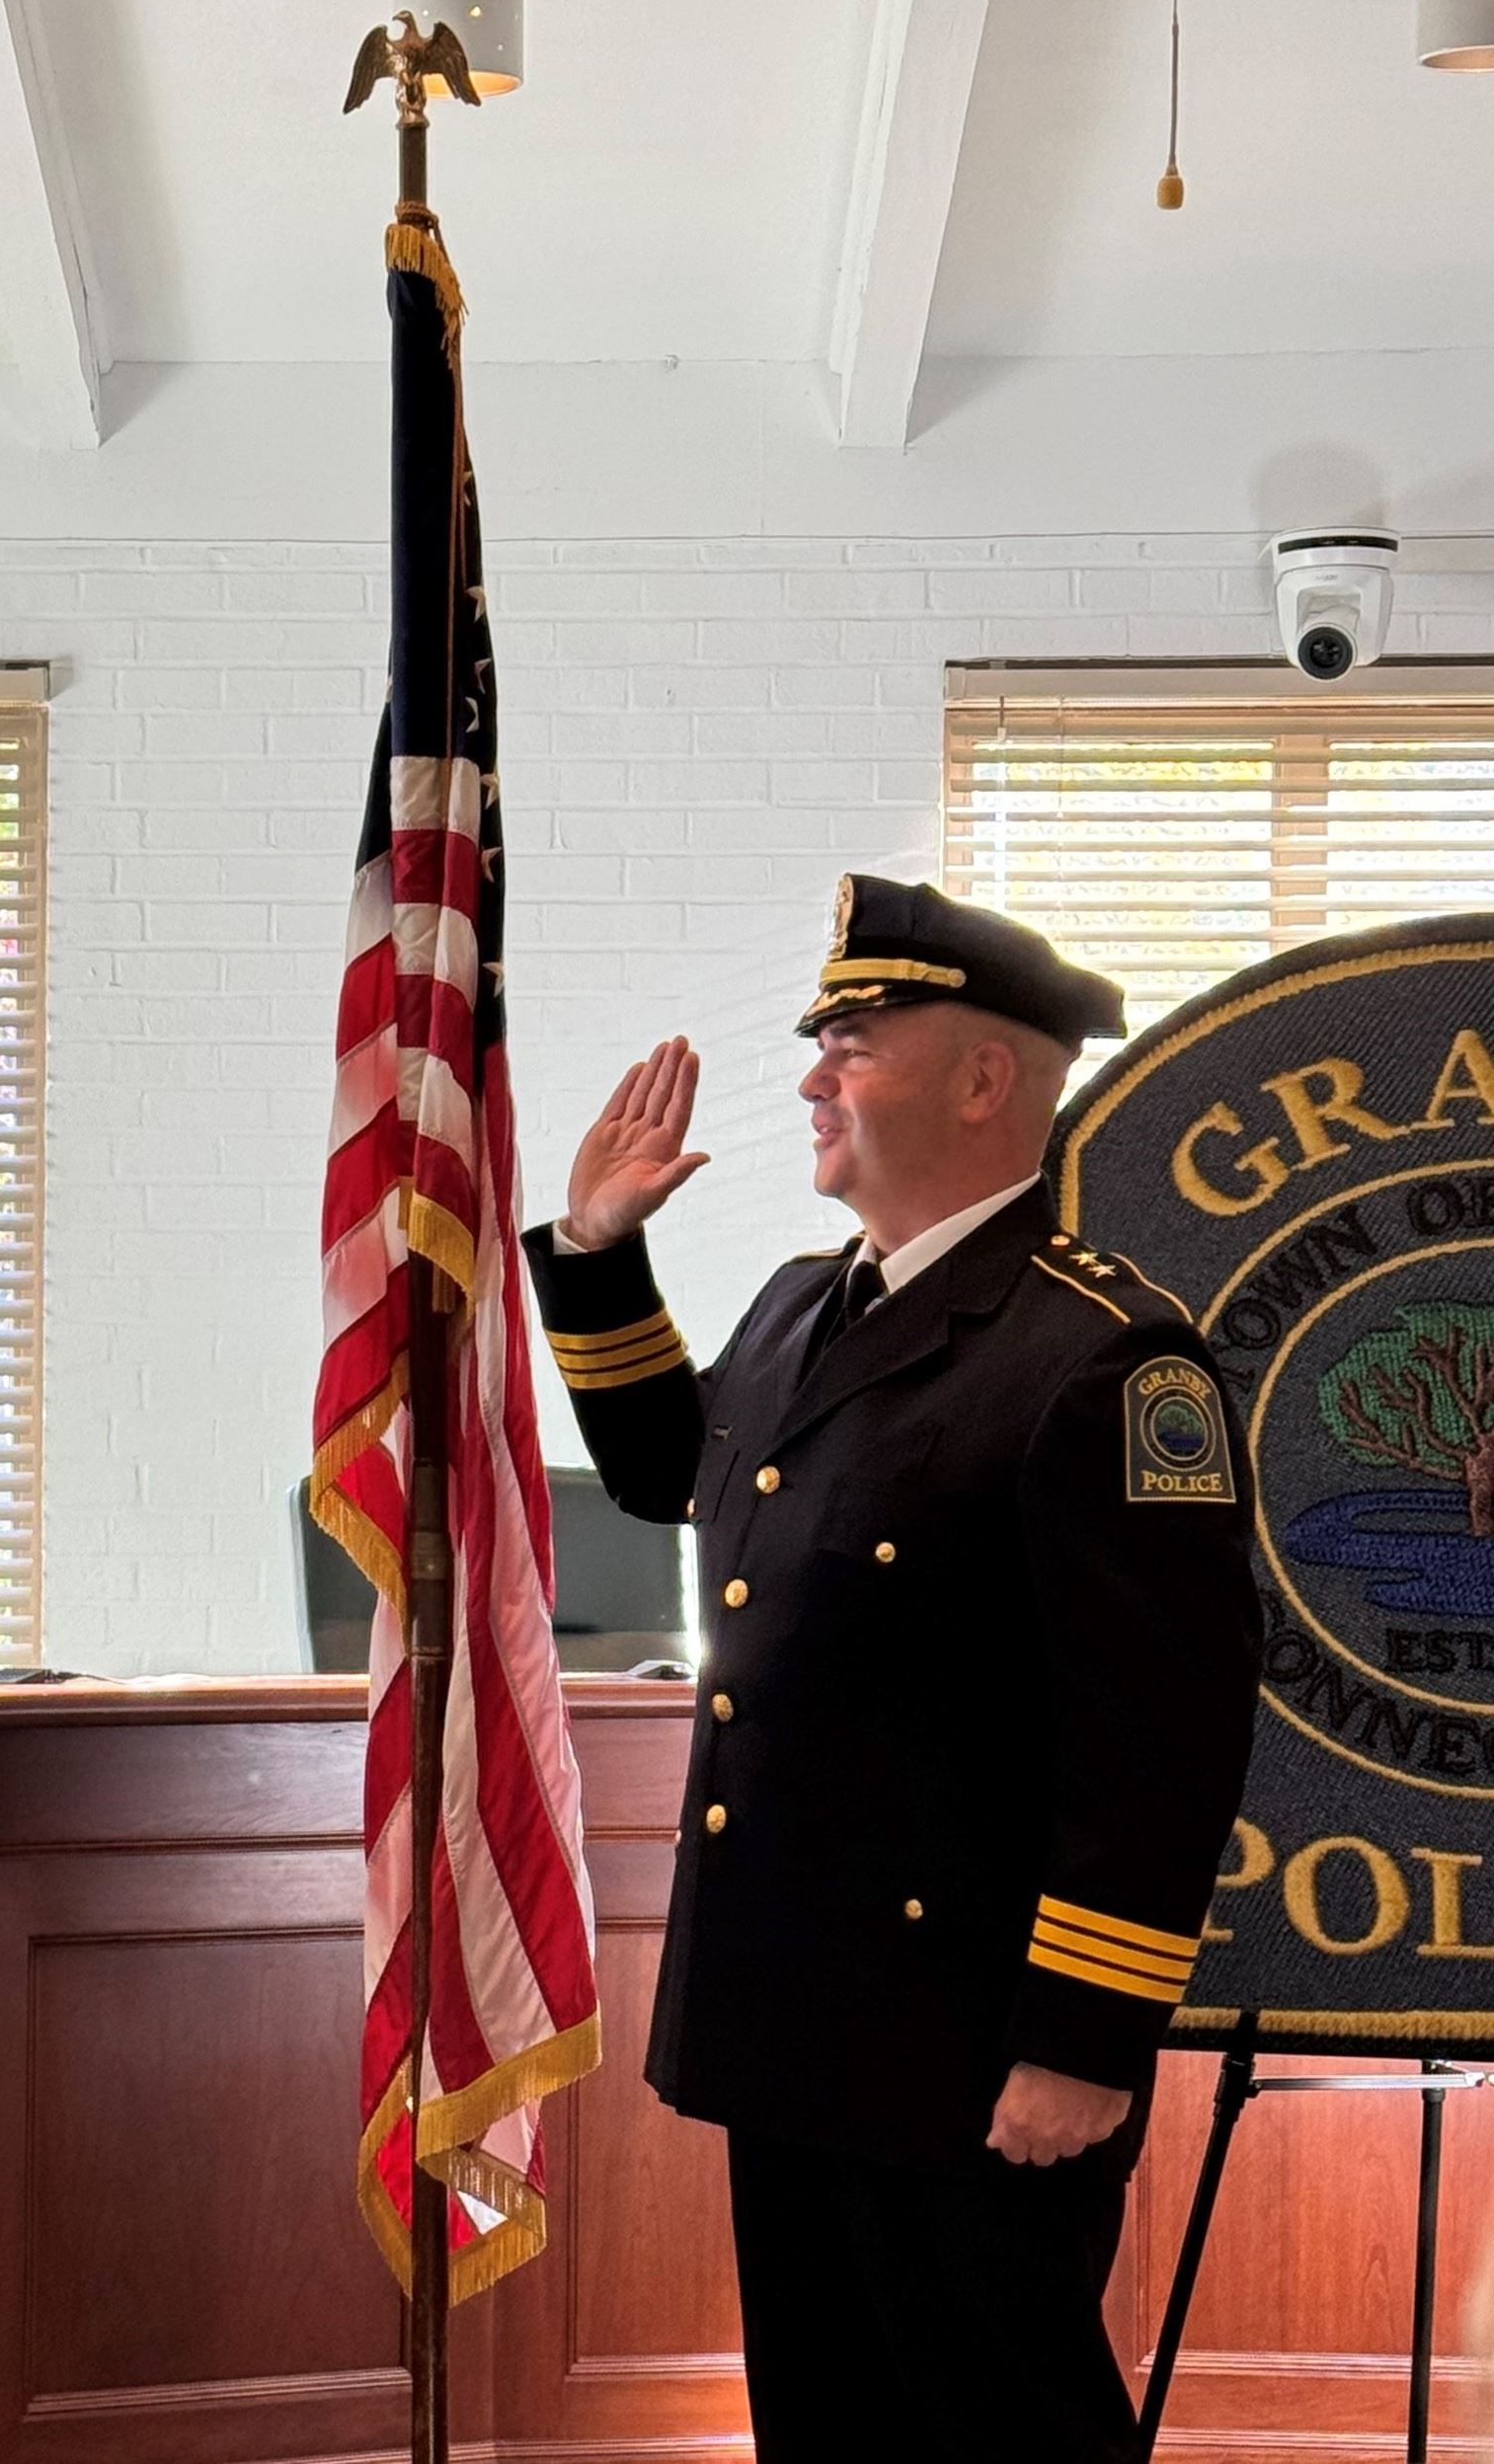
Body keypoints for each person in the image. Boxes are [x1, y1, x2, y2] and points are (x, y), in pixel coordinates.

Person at [525, 875, 1261, 2463]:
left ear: (984, 1078)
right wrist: (593, 1254)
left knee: (1004, 2433)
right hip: (794, 2015)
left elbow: (1164, 1744)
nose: (813, 1077)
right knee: (828, 2429)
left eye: (852, 1043)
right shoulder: (808, 1303)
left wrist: (1081, 2043)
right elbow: (669, 1470)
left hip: (973, 2045)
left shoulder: (1106, 1356)